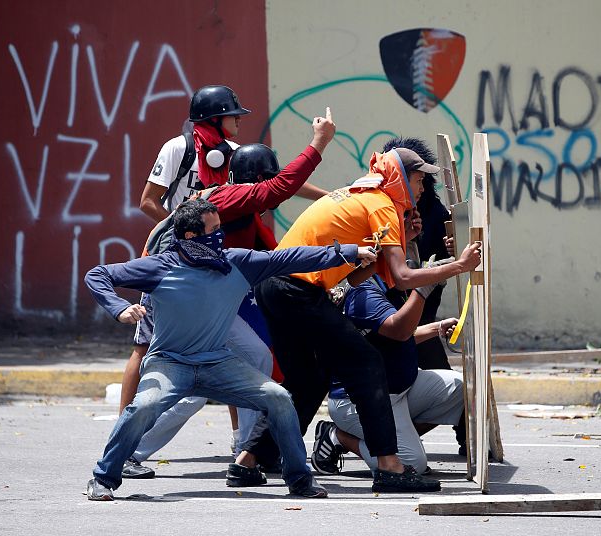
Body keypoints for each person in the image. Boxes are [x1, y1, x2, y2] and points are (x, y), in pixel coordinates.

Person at [85, 198, 377, 500]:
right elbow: (98, 275)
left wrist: (349, 252)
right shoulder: (159, 266)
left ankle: (299, 479)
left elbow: (292, 258)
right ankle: (103, 477)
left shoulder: (236, 262)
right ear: (190, 237)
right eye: (214, 230)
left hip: (218, 362)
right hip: (169, 363)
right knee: (143, 406)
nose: (221, 237)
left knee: (278, 397)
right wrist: (118, 308)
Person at [244, 147, 482, 493]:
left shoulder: (364, 195)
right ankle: (389, 466)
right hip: (296, 289)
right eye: (417, 180)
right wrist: (458, 266)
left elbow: (357, 273)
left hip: (276, 285)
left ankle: (249, 460)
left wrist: (405, 239)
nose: (421, 188)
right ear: (399, 178)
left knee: (307, 381)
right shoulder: (382, 202)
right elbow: (401, 276)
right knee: (366, 363)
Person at [121, 109, 335, 481]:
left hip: (200, 298)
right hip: (178, 298)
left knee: (252, 359)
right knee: (188, 389)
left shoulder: (237, 204)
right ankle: (129, 451)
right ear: (254, 181)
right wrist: (319, 142)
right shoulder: (230, 198)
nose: (273, 193)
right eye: (266, 182)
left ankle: (247, 454)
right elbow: (282, 186)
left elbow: (273, 255)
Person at [314, 268, 464, 475]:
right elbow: (399, 331)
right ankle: (338, 436)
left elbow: (398, 335)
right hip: (361, 401)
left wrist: (437, 328)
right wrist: (422, 290)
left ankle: (397, 439)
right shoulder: (363, 292)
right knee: (410, 465)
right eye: (402, 238)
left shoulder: (383, 280)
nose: (414, 237)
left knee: (461, 388)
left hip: (401, 389)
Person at [380, 137, 467, 454]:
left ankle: (468, 436)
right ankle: (352, 437)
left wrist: (451, 249)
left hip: (422, 308)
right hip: (386, 310)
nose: (417, 186)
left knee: (445, 379)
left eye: (420, 179)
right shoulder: (378, 205)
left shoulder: (433, 209)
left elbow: (445, 255)